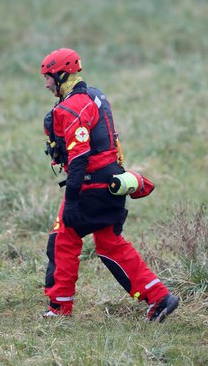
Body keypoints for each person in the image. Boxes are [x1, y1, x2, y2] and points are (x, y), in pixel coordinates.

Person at [39, 48, 179, 322]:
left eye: (48, 78)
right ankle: (159, 297)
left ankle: (58, 309)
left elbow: (78, 158)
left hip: (92, 187)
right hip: (113, 183)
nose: (46, 84)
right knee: (109, 244)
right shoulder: (96, 95)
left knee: (63, 240)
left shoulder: (72, 107)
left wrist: (72, 200)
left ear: (62, 74)